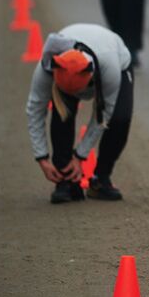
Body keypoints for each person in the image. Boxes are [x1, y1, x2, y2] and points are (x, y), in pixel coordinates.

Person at [26, 23, 133, 203]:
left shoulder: (109, 66)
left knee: (120, 119)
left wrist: (80, 156)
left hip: (113, 54)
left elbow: (102, 116)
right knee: (62, 113)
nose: (77, 97)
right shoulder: (48, 66)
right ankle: (65, 180)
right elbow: (35, 109)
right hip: (71, 60)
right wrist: (41, 157)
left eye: (77, 91)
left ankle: (101, 179)